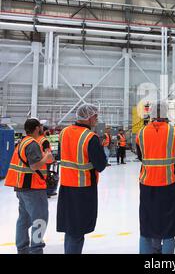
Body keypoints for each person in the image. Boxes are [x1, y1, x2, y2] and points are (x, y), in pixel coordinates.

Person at [57, 103, 107, 254]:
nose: (96, 120)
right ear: (89, 117)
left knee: (70, 228)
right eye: (95, 117)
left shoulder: (64, 132)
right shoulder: (90, 137)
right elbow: (100, 165)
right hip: (83, 188)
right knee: (78, 230)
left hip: (66, 186)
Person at [136, 102, 175, 254]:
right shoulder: (174, 132)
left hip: (147, 182)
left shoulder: (141, 133)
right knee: (168, 223)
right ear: (166, 114)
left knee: (147, 221)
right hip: (167, 183)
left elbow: (140, 156)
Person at [4, 118, 53, 254]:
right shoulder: (32, 144)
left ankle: (22, 249)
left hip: (22, 187)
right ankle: (36, 249)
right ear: (37, 128)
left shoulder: (23, 142)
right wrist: (46, 156)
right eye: (41, 127)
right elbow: (34, 165)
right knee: (40, 219)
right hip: (33, 188)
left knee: (24, 220)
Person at [37, 125, 56, 197]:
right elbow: (48, 152)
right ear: (44, 131)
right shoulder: (44, 141)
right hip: (46, 162)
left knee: (41, 177)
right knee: (46, 177)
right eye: (47, 131)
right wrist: (53, 160)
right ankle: (47, 192)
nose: (49, 132)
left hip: (40, 161)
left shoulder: (38, 138)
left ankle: (43, 192)